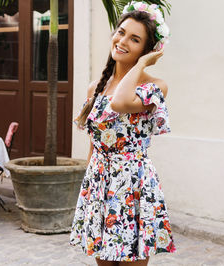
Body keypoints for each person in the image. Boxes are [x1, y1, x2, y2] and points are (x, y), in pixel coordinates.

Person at [69, 1, 176, 265]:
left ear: (147, 51)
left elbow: (120, 102)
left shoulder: (155, 88)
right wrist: (90, 184)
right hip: (100, 182)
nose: (122, 41)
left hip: (133, 185)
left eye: (135, 39)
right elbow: (95, 142)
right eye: (121, 32)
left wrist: (141, 65)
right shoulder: (96, 87)